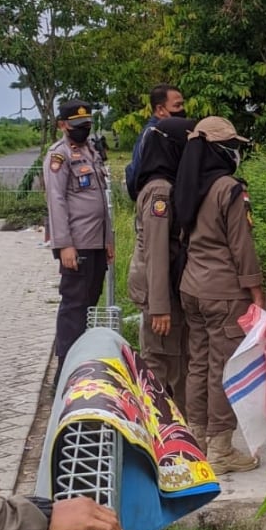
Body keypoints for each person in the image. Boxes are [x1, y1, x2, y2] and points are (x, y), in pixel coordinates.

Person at [174, 116, 264, 471]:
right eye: (234, 146)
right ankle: (221, 448)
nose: (237, 152)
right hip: (224, 291)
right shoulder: (228, 189)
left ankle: (194, 437)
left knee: (197, 364)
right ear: (221, 149)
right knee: (222, 369)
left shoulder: (188, 184)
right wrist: (257, 293)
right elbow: (242, 247)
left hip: (191, 287)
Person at [125, 107, 191, 420]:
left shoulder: (164, 184)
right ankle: (160, 430)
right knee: (160, 362)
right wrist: (159, 306)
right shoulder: (159, 191)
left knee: (172, 360)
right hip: (156, 290)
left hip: (160, 286)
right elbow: (156, 250)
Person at [42, 97, 112, 365]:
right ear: (62, 125)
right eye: (77, 124)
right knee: (74, 307)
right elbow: (56, 201)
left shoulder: (91, 153)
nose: (84, 128)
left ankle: (82, 362)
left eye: (87, 123)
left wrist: (108, 240)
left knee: (90, 306)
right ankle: (65, 367)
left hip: (96, 243)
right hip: (77, 244)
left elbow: (102, 203)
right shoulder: (59, 155)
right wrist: (64, 245)